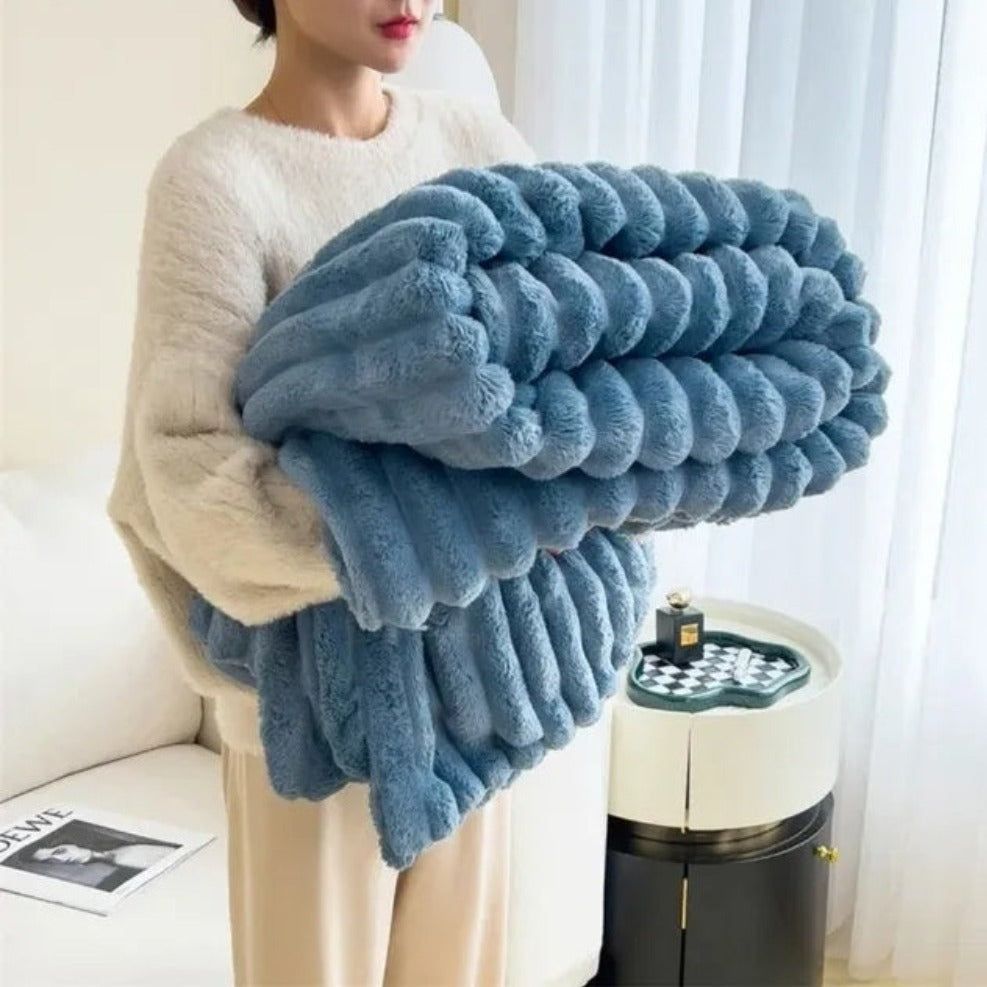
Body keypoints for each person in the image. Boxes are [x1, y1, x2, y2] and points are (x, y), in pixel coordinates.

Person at [104, 2, 537, 985]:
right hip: (311, 713)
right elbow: (190, 472)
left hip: (477, 692)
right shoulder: (216, 178)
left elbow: (556, 383)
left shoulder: (479, 144)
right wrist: (437, 530)